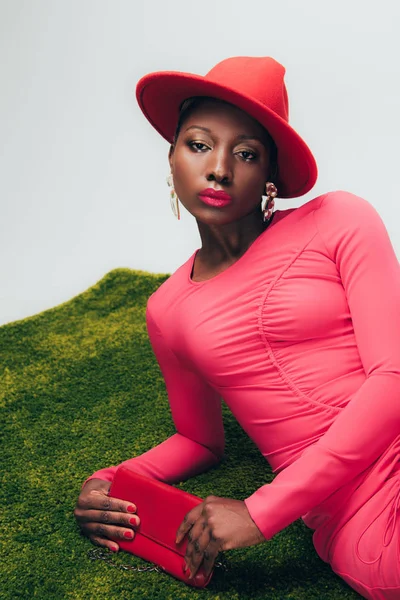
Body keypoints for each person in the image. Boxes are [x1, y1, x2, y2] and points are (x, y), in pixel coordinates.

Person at [74, 56, 400, 600]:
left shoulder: (342, 218)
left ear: (270, 174)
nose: (220, 168)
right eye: (200, 145)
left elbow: (394, 375)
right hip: (351, 510)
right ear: (172, 156)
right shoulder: (168, 309)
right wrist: (111, 479)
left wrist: (260, 510)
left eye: (246, 153)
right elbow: (197, 439)